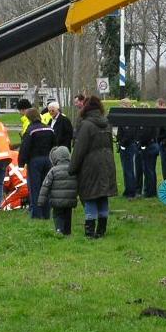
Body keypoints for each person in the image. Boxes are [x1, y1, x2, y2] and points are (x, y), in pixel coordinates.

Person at [70, 95, 118, 238]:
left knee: (90, 195)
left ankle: (90, 231)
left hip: (90, 165)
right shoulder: (107, 123)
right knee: (103, 195)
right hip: (107, 163)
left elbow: (79, 149)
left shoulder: (86, 125)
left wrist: (72, 168)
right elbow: (110, 145)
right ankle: (101, 230)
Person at [19, 108, 56, 219]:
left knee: (35, 188)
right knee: (47, 187)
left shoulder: (30, 130)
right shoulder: (49, 129)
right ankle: (46, 213)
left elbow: (25, 148)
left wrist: (21, 163)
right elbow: (55, 145)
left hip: (35, 161)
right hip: (48, 160)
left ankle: (36, 214)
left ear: (29, 118)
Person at [37, 146, 78, 235]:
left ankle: (59, 230)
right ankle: (67, 232)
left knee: (57, 215)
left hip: (56, 201)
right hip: (70, 199)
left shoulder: (53, 171)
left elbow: (45, 186)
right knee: (68, 215)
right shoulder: (73, 170)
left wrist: (41, 201)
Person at [115, 98, 138, 198]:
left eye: (122, 105)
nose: (120, 107)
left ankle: (131, 191)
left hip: (128, 146)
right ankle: (127, 189)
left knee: (128, 169)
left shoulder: (130, 117)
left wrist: (123, 143)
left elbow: (129, 133)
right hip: (124, 145)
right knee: (125, 169)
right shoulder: (124, 116)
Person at [136, 121, 160, 198]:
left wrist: (142, 145)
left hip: (149, 147)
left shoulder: (147, 123)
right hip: (154, 145)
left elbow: (146, 135)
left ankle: (149, 192)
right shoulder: (153, 122)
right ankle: (152, 191)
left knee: (148, 170)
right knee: (151, 170)